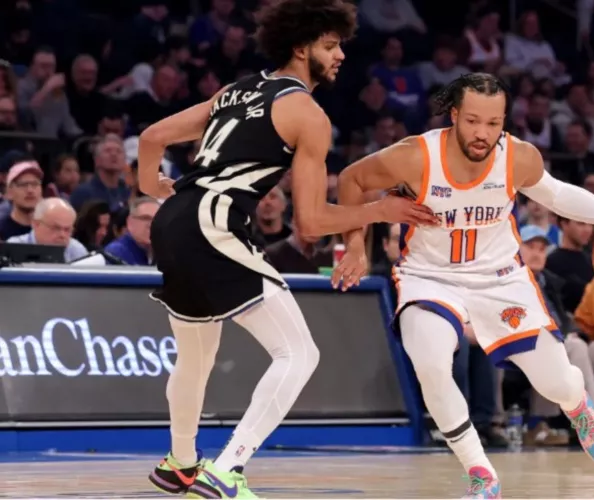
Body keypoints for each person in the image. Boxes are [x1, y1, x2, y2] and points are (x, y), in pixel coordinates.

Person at [137, 1, 438, 498]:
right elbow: (312, 221)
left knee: (195, 358)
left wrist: (154, 188)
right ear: (301, 47)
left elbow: (152, 136)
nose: (340, 54)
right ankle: (227, 469)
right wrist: (377, 213)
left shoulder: (235, 91)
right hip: (215, 222)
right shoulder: (306, 112)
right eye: (330, 44)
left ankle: (181, 463)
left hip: (174, 220)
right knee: (298, 353)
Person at [334, 73, 594, 498]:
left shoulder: (517, 156)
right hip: (429, 276)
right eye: (473, 121)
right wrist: (355, 247)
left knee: (556, 382)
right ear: (454, 115)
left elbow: (559, 195)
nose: (482, 133)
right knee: (431, 363)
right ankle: (480, 471)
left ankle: (578, 407)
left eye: (493, 123)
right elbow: (350, 180)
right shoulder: (416, 156)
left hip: (499, 278)